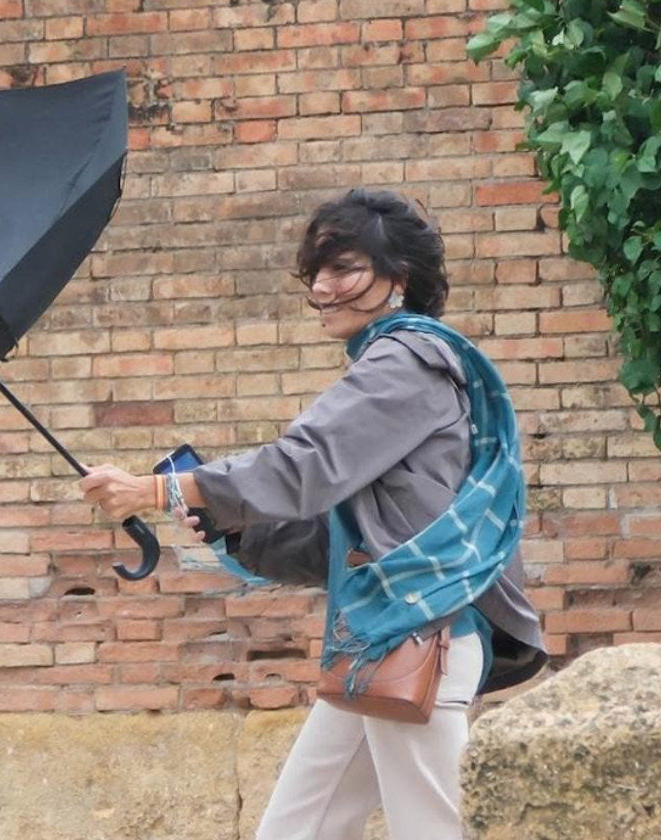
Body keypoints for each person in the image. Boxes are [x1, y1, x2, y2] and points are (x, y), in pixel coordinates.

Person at [80, 188, 547, 840]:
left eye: (345, 269)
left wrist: (164, 491)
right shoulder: (401, 367)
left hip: (417, 638)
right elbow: (343, 536)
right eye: (316, 273)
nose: (323, 289)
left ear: (399, 279)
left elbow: (306, 464)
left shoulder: (406, 361)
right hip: (378, 642)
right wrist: (237, 527)